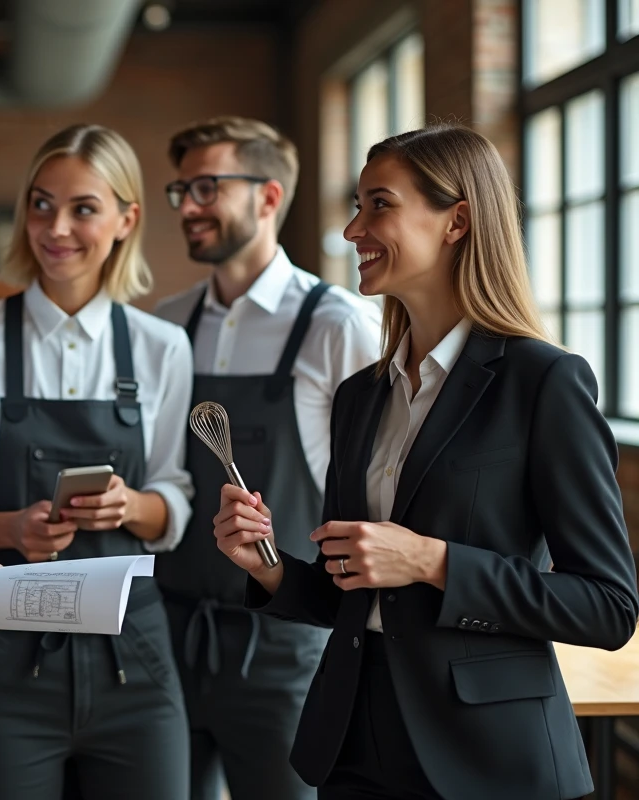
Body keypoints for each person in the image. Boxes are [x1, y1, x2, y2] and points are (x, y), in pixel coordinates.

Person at [212, 123, 639, 800]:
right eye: (356, 206)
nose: (354, 229)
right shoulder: (360, 396)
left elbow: (608, 607)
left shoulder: (543, 382)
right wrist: (263, 565)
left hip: (492, 761)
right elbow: (346, 591)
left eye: (378, 204)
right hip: (354, 741)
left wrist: (432, 561)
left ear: (457, 221)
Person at [0, 123, 194, 800]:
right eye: (41, 204)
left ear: (127, 218)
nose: (56, 227)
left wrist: (134, 506)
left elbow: (176, 493)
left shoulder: (164, 349)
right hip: (5, 660)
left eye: (83, 208)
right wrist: (10, 530)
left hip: (136, 660)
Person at [153, 116, 381, 800]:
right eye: (181, 190)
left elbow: (377, 492)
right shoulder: (165, 324)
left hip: (286, 648)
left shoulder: (337, 325)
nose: (189, 207)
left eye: (206, 187)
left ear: (269, 196)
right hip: (169, 635)